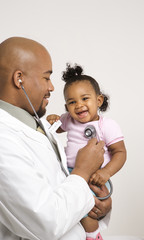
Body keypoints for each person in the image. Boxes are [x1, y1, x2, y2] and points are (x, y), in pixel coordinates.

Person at [0, 37, 112, 240]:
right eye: (46, 77)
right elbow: (45, 223)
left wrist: (96, 203)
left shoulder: (32, 122)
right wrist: (82, 171)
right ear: (19, 79)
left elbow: (58, 187)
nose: (52, 87)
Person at [47, 64, 127, 240]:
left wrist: (105, 173)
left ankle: (93, 235)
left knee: (85, 210)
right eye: (72, 102)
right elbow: (58, 128)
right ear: (67, 106)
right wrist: (53, 119)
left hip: (94, 177)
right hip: (70, 173)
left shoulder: (107, 126)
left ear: (98, 101)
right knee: (69, 207)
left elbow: (120, 153)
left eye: (85, 99)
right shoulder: (69, 120)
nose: (79, 106)